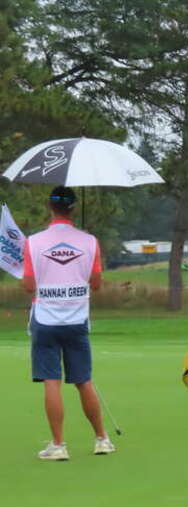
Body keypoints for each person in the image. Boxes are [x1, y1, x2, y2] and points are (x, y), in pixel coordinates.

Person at [21, 186, 115, 461]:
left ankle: (59, 445)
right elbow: (96, 284)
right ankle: (102, 439)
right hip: (76, 320)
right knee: (83, 381)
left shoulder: (33, 241)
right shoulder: (90, 241)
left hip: (45, 319)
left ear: (50, 208)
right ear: (73, 208)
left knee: (52, 381)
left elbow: (29, 286)